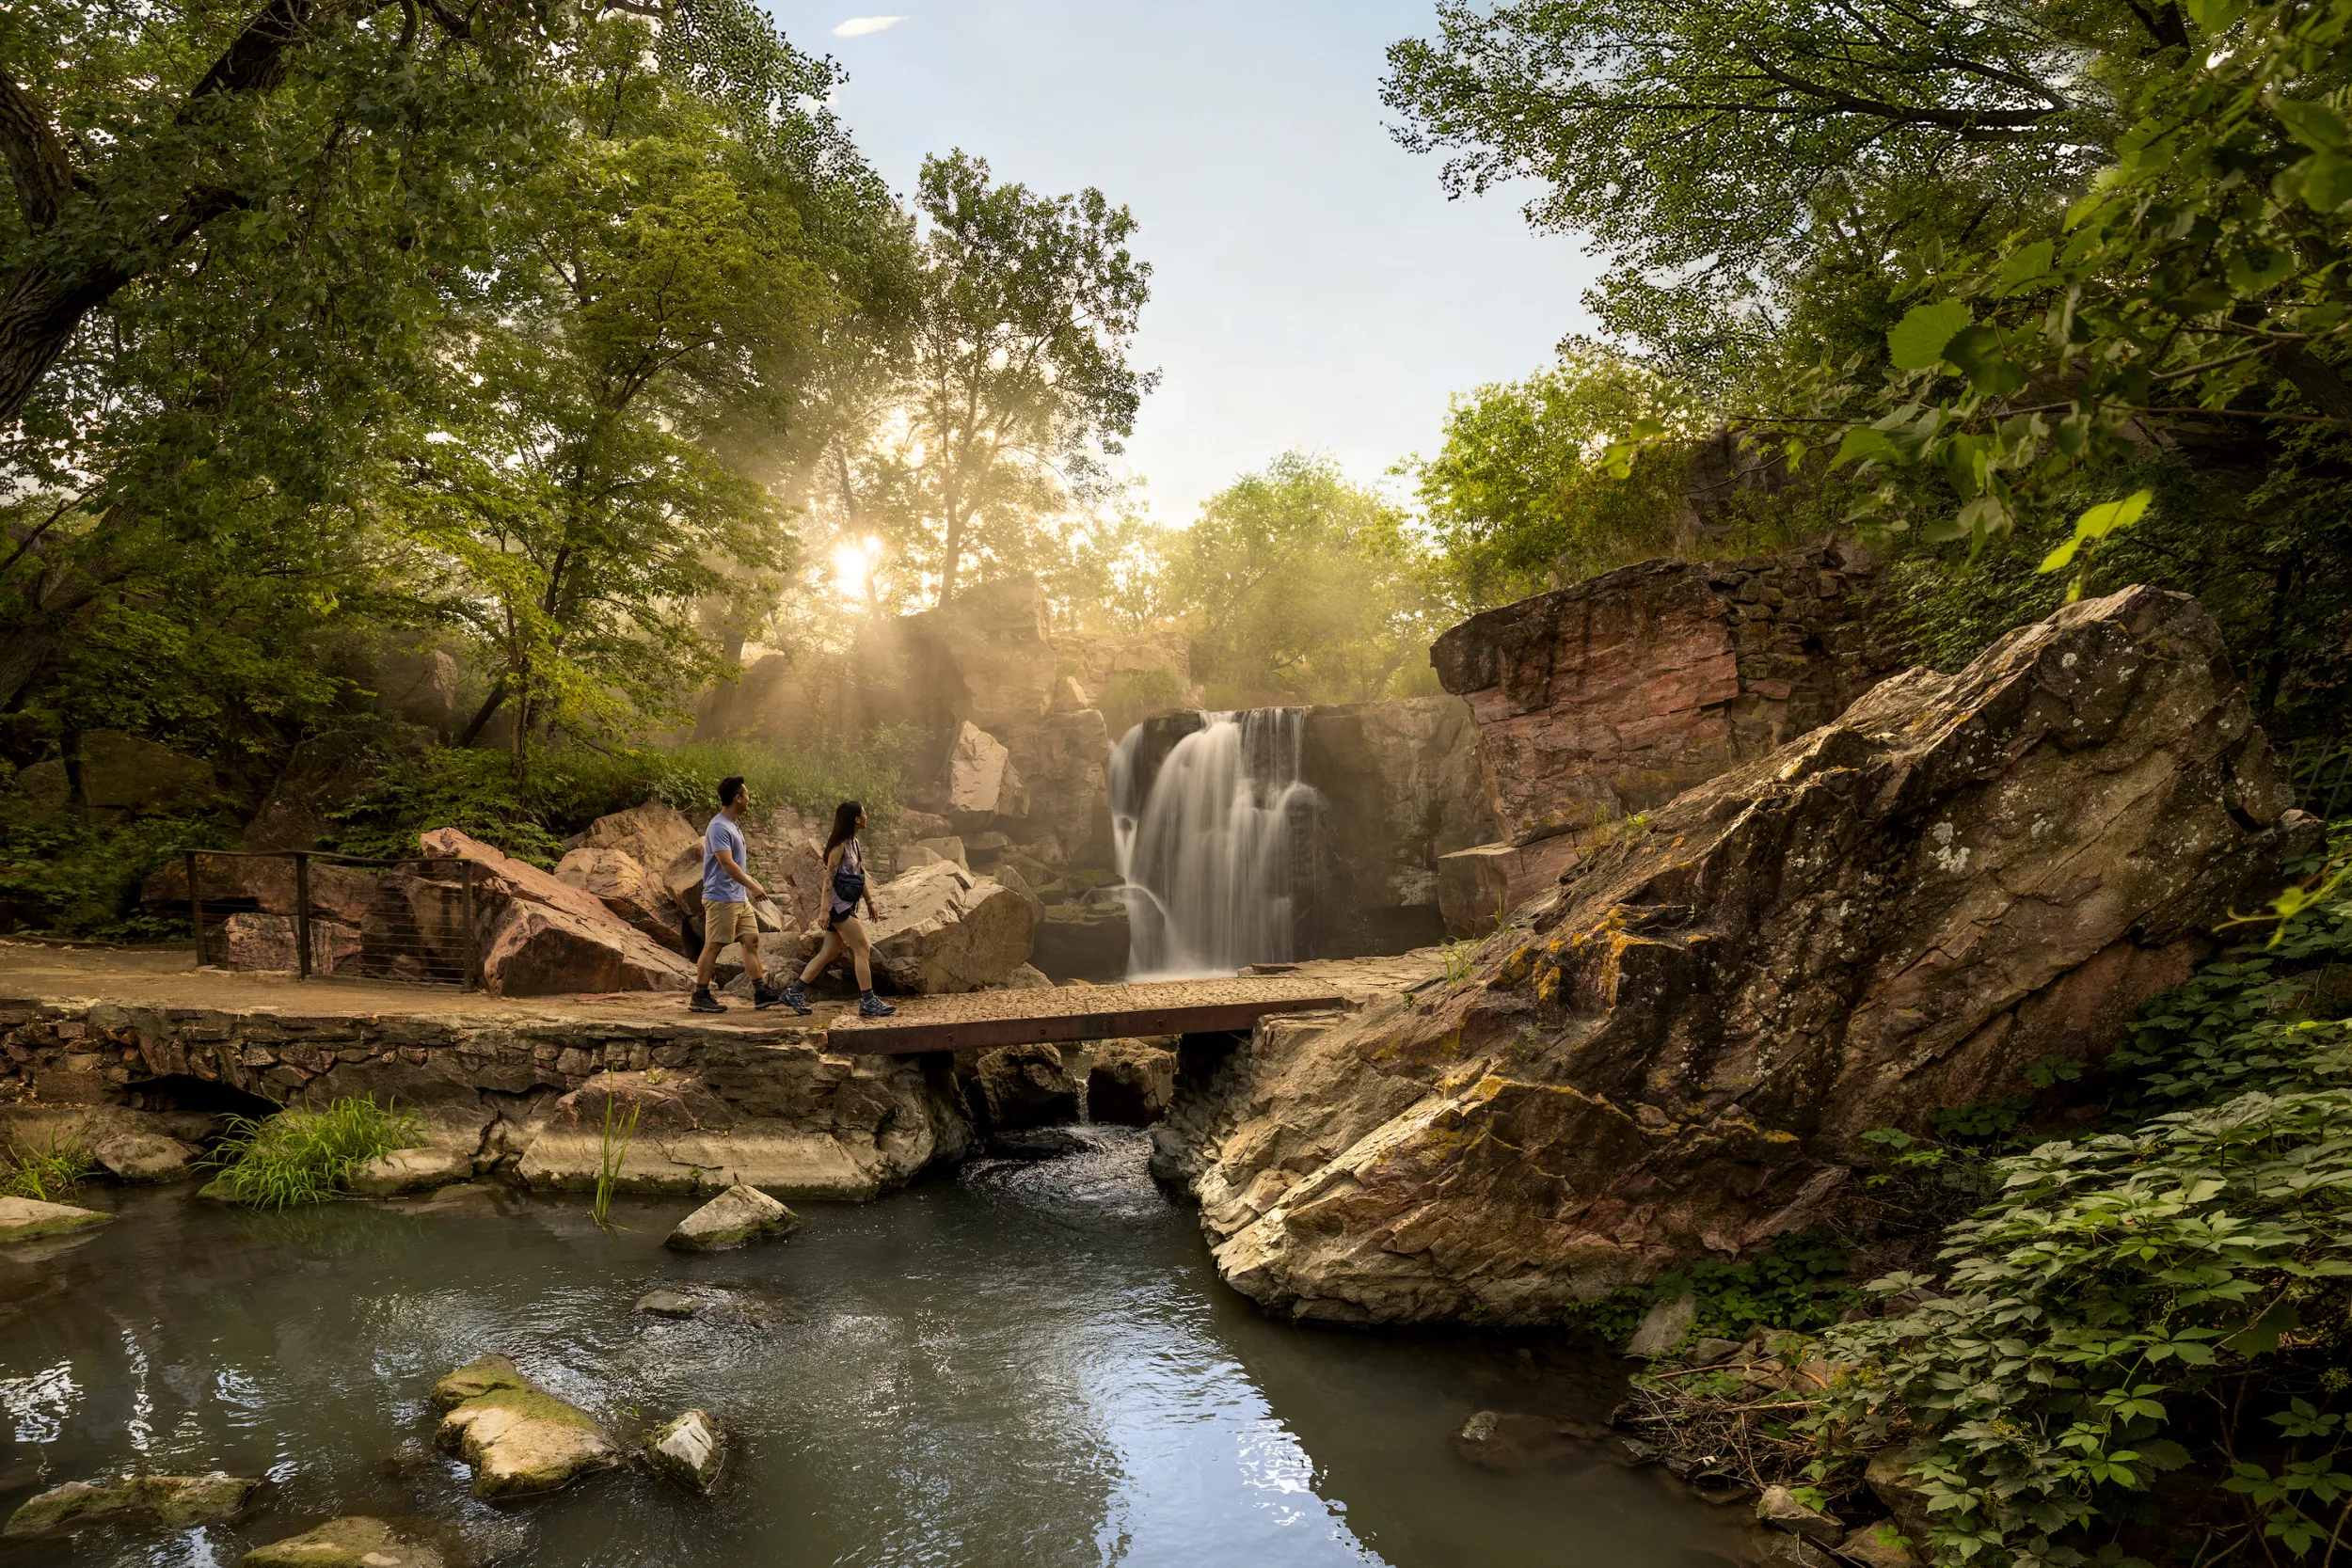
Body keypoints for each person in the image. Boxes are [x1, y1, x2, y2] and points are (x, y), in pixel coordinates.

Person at [780, 800, 895, 1018]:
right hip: (838, 908)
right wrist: (824, 911)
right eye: (864, 812)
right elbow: (827, 882)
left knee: (827, 953)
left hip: (846, 906)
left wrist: (870, 902)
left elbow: (860, 877)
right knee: (863, 949)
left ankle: (794, 993)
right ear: (855, 818)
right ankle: (868, 1001)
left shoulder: (854, 843)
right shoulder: (839, 847)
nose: (867, 816)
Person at [690, 775, 783, 1014]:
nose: (749, 798)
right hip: (721, 897)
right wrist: (752, 885)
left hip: (738, 898)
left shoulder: (732, 825)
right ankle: (700, 995)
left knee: (751, 941)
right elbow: (727, 864)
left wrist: (746, 890)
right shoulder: (719, 826)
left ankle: (760, 992)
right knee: (714, 945)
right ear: (737, 798)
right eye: (747, 794)